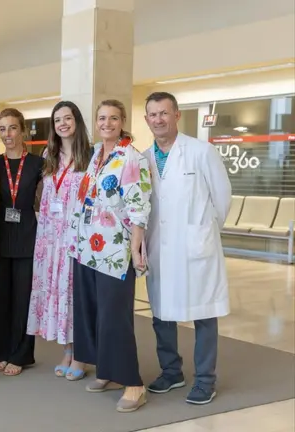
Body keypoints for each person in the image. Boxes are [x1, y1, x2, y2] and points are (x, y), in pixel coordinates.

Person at [142, 91, 232, 405]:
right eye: (153, 114)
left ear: (177, 115)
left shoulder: (200, 151)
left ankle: (205, 380)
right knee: (161, 312)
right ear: (146, 119)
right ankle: (171, 372)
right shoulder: (144, 158)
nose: (158, 119)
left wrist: (202, 232)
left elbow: (222, 198)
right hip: (159, 247)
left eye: (164, 113)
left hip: (196, 247)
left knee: (204, 313)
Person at [68, 99, 151, 413]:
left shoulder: (131, 157)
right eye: (102, 118)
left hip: (115, 249)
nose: (107, 123)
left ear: (123, 121)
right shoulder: (96, 155)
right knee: (93, 313)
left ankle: (133, 384)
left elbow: (139, 205)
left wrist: (137, 245)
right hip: (87, 246)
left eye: (113, 118)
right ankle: (108, 370)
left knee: (115, 317)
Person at [27, 101, 92, 381]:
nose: (62, 124)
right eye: (57, 120)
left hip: (76, 236)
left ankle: (81, 354)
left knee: (74, 294)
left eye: (67, 118)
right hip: (51, 237)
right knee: (59, 292)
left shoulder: (91, 156)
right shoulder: (49, 155)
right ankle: (68, 350)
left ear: (77, 121)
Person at [0, 108, 44, 376]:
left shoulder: (38, 164)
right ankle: (0, 351)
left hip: (27, 238)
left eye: (12, 128)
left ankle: (21, 354)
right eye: (2, 129)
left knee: (24, 299)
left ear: (22, 131)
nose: (7, 134)